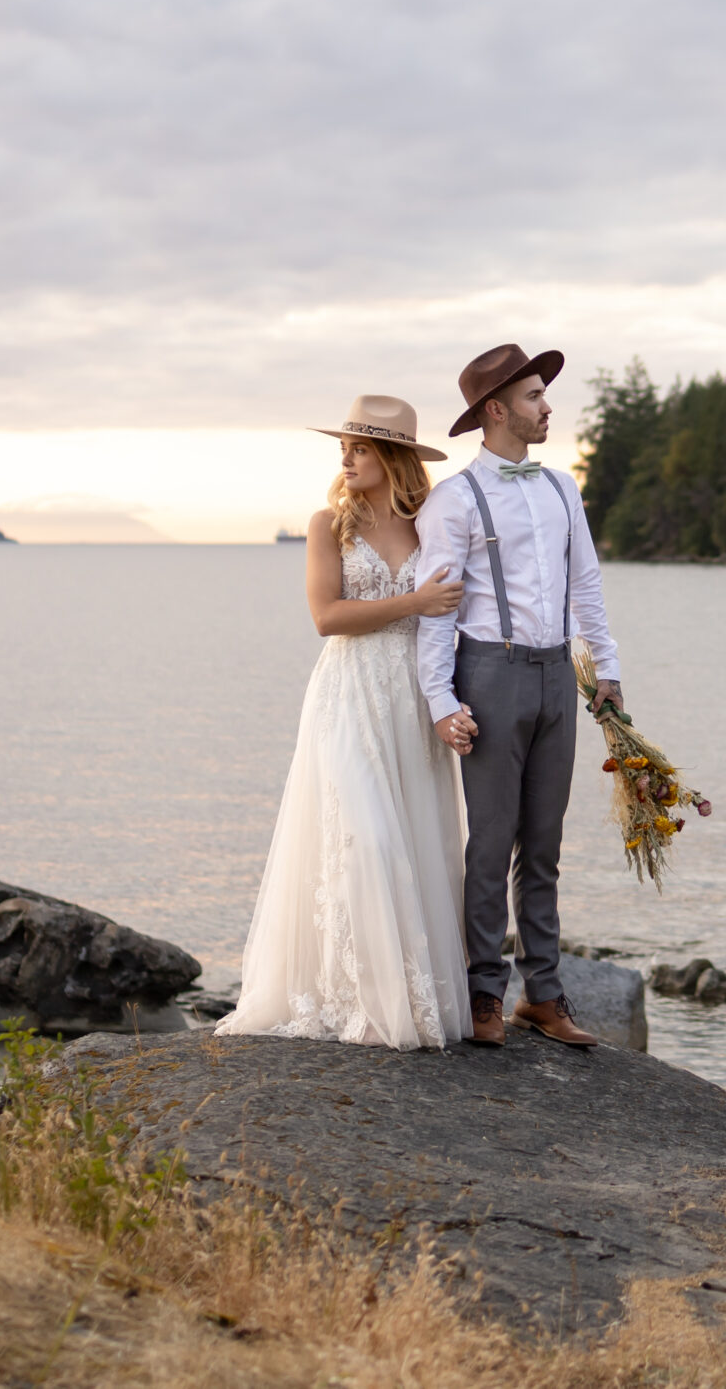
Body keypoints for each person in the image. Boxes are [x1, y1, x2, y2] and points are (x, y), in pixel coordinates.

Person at [215, 394, 476, 1049]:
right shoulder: (328, 524)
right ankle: (355, 992)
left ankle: (406, 994)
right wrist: (414, 599)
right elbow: (326, 617)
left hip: (411, 701)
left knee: (415, 838)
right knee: (361, 836)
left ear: (392, 457)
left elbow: (457, 615)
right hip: (348, 692)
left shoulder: (430, 526)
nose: (346, 456)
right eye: (345, 446)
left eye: (360, 447)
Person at [417, 344, 622, 1049]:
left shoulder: (563, 487)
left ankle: (544, 993)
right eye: (535, 395)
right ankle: (483, 992)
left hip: (557, 674)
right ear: (497, 409)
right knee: (490, 840)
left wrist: (607, 671)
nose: (548, 405)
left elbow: (586, 584)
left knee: (544, 842)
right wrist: (442, 701)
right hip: (490, 674)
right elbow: (436, 610)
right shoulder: (455, 498)